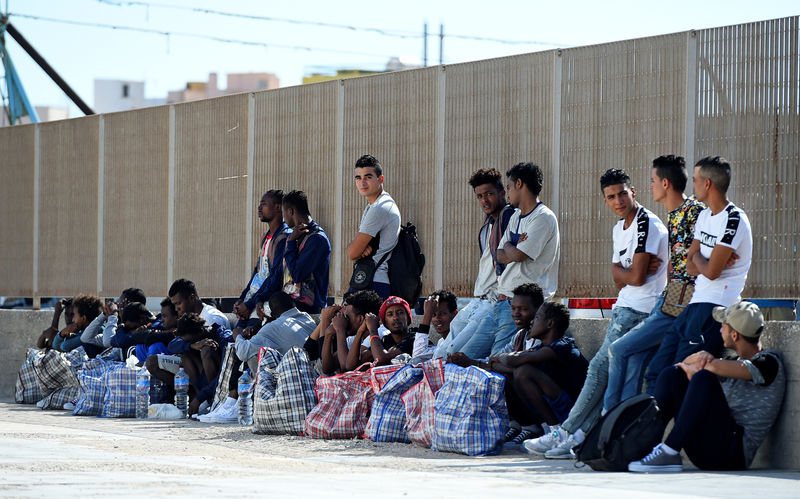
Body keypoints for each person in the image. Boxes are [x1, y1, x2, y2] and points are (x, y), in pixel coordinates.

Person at [525, 168, 668, 459]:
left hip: (641, 312)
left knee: (599, 369)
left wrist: (624, 271)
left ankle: (568, 432)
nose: (618, 201)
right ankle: (580, 437)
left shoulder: (647, 224)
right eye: (611, 197)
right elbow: (618, 277)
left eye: (622, 194)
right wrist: (623, 271)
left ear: (633, 191)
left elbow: (637, 277)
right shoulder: (619, 228)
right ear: (604, 200)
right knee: (608, 377)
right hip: (624, 309)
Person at [629, 301, 785, 472]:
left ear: (734, 335)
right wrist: (697, 360)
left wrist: (700, 363)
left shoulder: (769, 363)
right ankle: (644, 447)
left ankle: (669, 451)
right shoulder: (734, 360)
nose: (719, 330)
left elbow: (713, 368)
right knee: (672, 375)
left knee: (704, 377)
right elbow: (688, 363)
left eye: (723, 326)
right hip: (707, 446)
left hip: (732, 455)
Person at [604, 155, 705, 411]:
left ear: (666, 184)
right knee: (638, 361)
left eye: (653, 181)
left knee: (618, 350)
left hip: (683, 300)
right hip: (671, 297)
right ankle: (622, 429)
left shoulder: (694, 212)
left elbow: (695, 266)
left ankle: (611, 417)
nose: (651, 186)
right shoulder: (674, 216)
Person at [643, 156, 753, 392]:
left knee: (680, 375)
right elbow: (690, 265)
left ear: (708, 184)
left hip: (716, 309)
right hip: (694, 305)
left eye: (695, 180)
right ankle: (654, 426)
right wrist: (709, 259)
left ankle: (678, 427)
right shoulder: (704, 216)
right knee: (656, 371)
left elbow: (711, 272)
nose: (691, 185)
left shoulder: (735, 219)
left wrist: (704, 260)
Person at [449, 162, 560, 360]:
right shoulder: (516, 216)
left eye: (508, 187)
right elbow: (499, 253)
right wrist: (512, 248)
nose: (508, 193)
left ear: (519, 184)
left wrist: (512, 249)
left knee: (496, 363)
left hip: (522, 306)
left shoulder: (543, 218)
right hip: (501, 302)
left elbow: (518, 256)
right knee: (460, 357)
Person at [434, 168, 513, 358]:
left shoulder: (510, 219)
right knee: (440, 354)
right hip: (477, 300)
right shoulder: (488, 225)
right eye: (479, 196)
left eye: (489, 194)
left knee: (454, 355)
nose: (484, 201)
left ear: (502, 193)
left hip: (494, 303)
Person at [498, 302, 588, 446]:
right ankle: (547, 429)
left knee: (523, 372)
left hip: (575, 413)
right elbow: (507, 364)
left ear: (550, 323)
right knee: (508, 374)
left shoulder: (562, 345)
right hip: (560, 407)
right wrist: (497, 362)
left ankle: (556, 432)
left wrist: (503, 358)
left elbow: (513, 360)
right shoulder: (541, 348)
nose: (533, 321)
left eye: (538, 317)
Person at [145, 279, 231, 414]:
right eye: (174, 305)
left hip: (213, 372)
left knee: (206, 351)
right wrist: (191, 345)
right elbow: (174, 344)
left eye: (179, 303)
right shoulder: (186, 318)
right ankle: (190, 397)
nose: (176, 309)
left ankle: (208, 401)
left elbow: (223, 369)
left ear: (192, 298)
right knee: (152, 362)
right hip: (195, 370)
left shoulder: (212, 319)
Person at [233, 190, 290, 330]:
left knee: (248, 338)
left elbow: (275, 277)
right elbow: (258, 272)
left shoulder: (284, 237)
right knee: (236, 335)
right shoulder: (266, 236)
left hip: (263, 303)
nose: (259, 208)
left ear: (277, 207)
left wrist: (252, 303)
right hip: (252, 300)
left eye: (264, 204)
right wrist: (242, 298)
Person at [347, 154, 401, 299]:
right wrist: (360, 247)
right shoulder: (373, 205)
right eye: (358, 177)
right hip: (369, 279)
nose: (362, 182)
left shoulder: (380, 207)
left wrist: (359, 247)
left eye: (368, 177)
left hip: (374, 282)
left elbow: (352, 253)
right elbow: (356, 250)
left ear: (380, 179)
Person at [234, 291, 316, 373]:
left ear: (272, 314)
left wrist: (237, 336)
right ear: (293, 305)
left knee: (253, 355)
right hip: (316, 371)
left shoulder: (272, 328)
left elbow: (243, 352)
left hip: (298, 375)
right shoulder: (306, 317)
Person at [281, 190, 331, 314]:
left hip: (310, 312)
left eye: (284, 214)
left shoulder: (317, 239)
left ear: (290, 211)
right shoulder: (297, 234)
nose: (284, 219)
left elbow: (297, 274)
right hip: (291, 308)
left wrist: (291, 242)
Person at [312, 290, 383, 375]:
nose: (344, 321)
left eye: (347, 317)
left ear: (360, 319)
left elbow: (346, 368)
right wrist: (328, 334)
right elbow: (327, 368)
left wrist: (340, 330)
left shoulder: (377, 335)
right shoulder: (354, 337)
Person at [80, 288, 148, 349]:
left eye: (120, 305)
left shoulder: (138, 331)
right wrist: (103, 314)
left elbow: (108, 342)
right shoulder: (117, 329)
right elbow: (86, 339)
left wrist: (113, 316)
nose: (117, 309)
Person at [363, 296, 416, 366]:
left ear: (408, 318)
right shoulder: (386, 340)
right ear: (385, 322)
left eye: (400, 313)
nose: (395, 318)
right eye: (390, 314)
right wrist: (360, 331)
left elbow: (380, 359)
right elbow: (353, 364)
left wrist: (373, 330)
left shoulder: (415, 338)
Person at [412, 290, 458, 360]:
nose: (437, 319)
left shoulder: (457, 340)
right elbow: (418, 357)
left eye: (442, 314)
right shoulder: (441, 342)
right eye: (433, 315)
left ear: (454, 314)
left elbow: (418, 355)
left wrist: (427, 315)